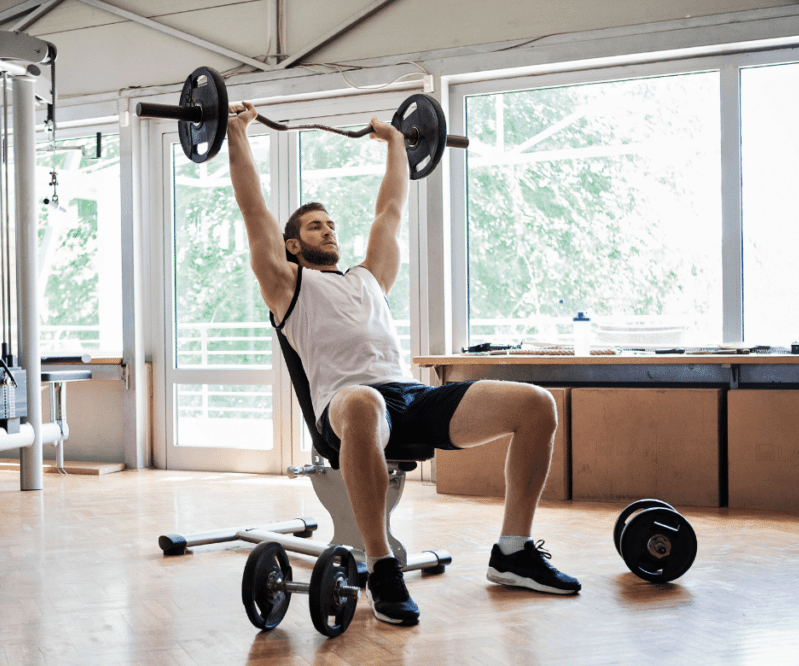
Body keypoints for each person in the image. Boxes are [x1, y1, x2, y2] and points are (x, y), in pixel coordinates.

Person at [226, 101, 581, 627]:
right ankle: (382, 563)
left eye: (330, 224)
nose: (328, 231)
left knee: (536, 404)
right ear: (292, 244)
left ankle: (512, 551)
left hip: (409, 398)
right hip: (346, 409)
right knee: (365, 402)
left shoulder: (368, 278)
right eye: (315, 226)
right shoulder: (287, 286)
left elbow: (390, 209)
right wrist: (236, 134)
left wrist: (396, 143)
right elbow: (253, 210)